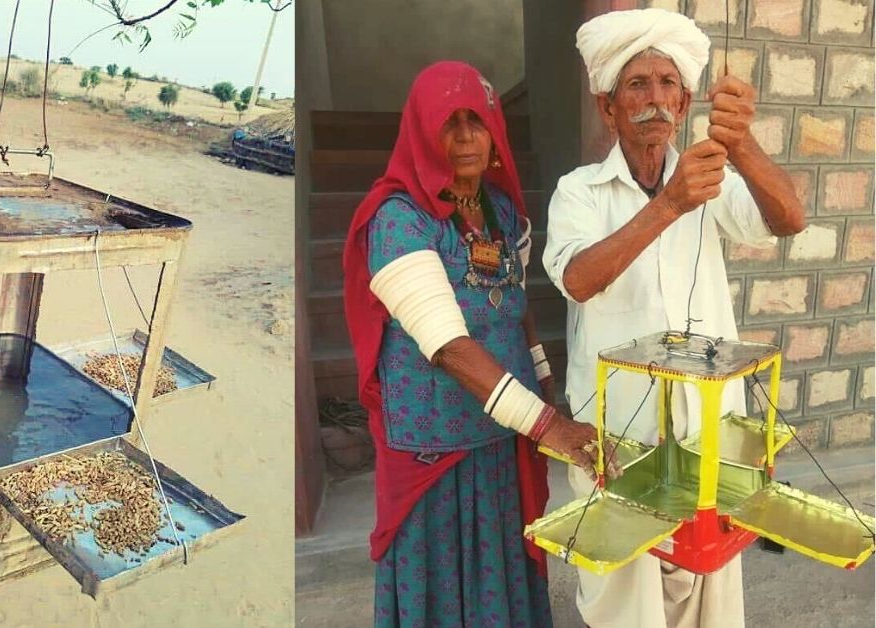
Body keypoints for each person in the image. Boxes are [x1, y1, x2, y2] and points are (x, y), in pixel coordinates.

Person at [542, 9, 806, 627]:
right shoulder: (578, 191)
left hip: (706, 434)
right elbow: (578, 279)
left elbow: (790, 218)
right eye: (636, 85)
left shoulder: (710, 175)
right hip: (616, 441)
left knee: (710, 598)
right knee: (620, 600)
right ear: (608, 108)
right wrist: (669, 203)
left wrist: (742, 144)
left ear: (686, 103)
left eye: (667, 85)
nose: (653, 100)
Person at [343, 60, 605, 628]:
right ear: (419, 130)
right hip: (433, 447)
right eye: (447, 122)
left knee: (499, 566)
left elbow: (515, 310)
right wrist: (547, 425)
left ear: (493, 134)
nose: (464, 136)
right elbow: (448, 346)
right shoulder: (397, 219)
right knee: (440, 576)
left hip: (501, 434)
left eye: (476, 120)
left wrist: (547, 391)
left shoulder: (502, 211)